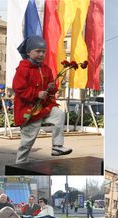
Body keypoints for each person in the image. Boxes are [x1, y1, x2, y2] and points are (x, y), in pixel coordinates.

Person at [13, 36, 72, 164]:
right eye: (38, 51)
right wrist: (36, 94)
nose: (41, 54)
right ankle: (20, 163)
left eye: (43, 51)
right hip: (28, 110)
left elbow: (51, 89)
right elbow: (18, 89)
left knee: (59, 114)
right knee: (28, 141)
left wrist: (51, 88)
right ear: (28, 52)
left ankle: (57, 146)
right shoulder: (23, 69)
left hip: (44, 108)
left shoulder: (46, 69)